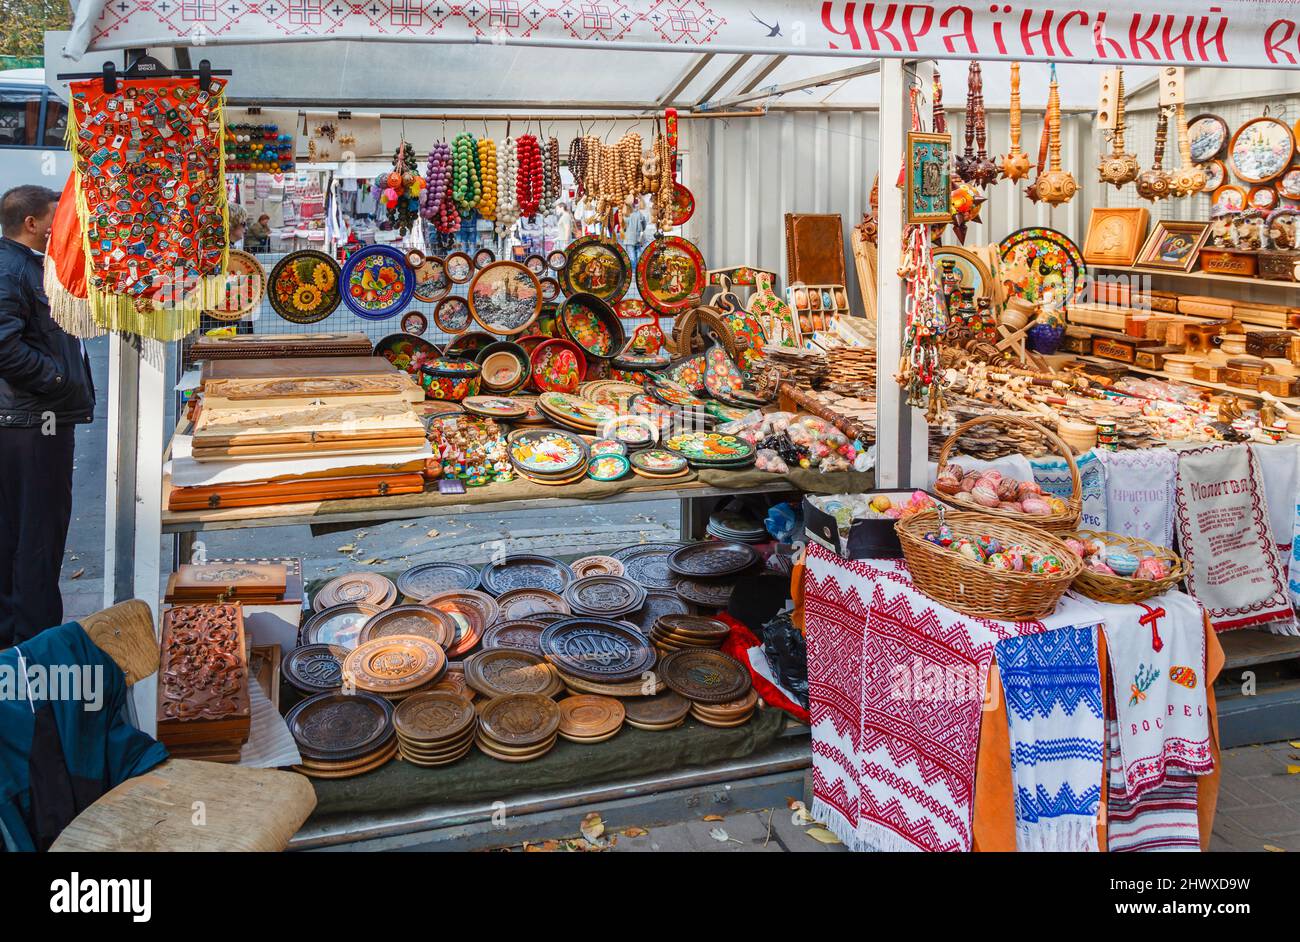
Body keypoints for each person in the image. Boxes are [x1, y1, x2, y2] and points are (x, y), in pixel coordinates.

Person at [0, 185, 95, 647]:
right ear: (31, 223)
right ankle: (37, 650)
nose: (63, 228)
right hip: (33, 424)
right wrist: (58, 381)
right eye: (54, 219)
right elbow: (4, 346)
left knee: (27, 536)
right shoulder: (11, 268)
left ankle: (22, 644)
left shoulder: (28, 266)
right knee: (35, 537)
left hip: (34, 420)